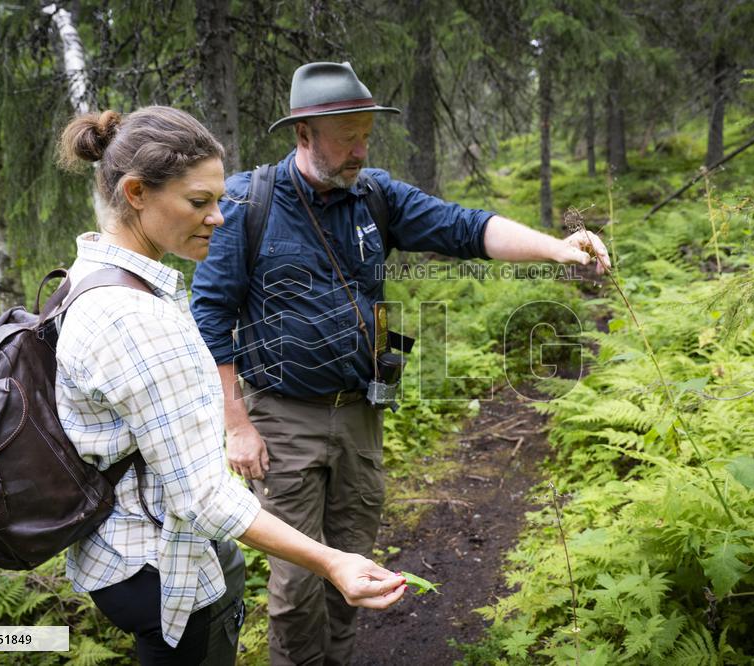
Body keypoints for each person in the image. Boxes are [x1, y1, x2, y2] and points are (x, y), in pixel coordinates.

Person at [190, 61, 611, 665]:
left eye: (367, 133)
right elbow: (209, 318)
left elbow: (465, 228)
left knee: (353, 564)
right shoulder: (246, 203)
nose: (361, 148)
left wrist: (557, 249)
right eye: (348, 137)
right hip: (281, 418)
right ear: (304, 133)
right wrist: (237, 425)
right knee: (298, 583)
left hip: (362, 411)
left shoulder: (375, 193)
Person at [54, 105, 406, 665]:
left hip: (126, 551)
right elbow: (204, 498)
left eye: (219, 199)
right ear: (137, 192)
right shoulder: (135, 319)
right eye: (199, 202)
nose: (218, 217)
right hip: (165, 570)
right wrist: (332, 562)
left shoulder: (92, 279)